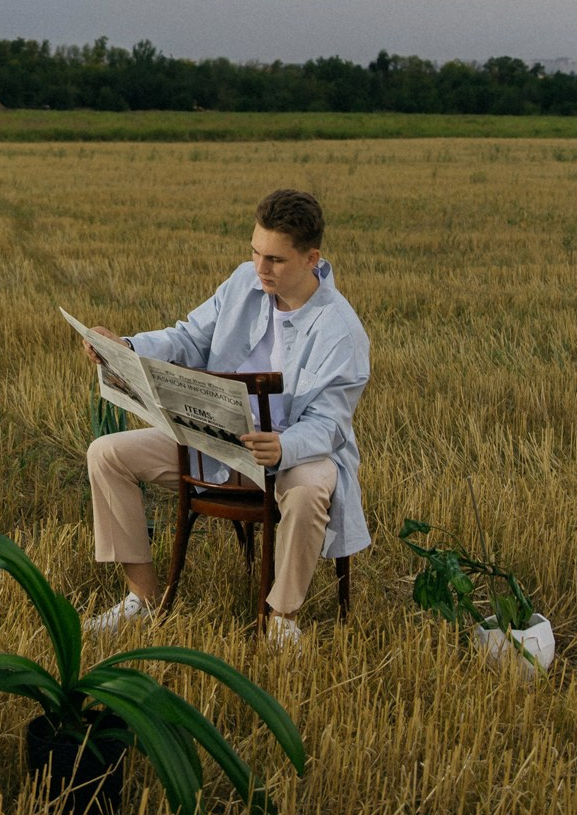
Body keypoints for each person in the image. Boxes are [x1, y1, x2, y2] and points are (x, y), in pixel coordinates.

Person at [82, 188, 369, 642]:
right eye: (255, 252)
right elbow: (190, 338)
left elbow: (330, 424)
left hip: (293, 450)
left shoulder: (341, 330)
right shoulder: (244, 282)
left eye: (275, 259)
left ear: (312, 258)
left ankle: (282, 620)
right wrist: (129, 347)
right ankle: (143, 598)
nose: (261, 268)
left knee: (310, 489)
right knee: (107, 454)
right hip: (214, 438)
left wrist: (283, 446)